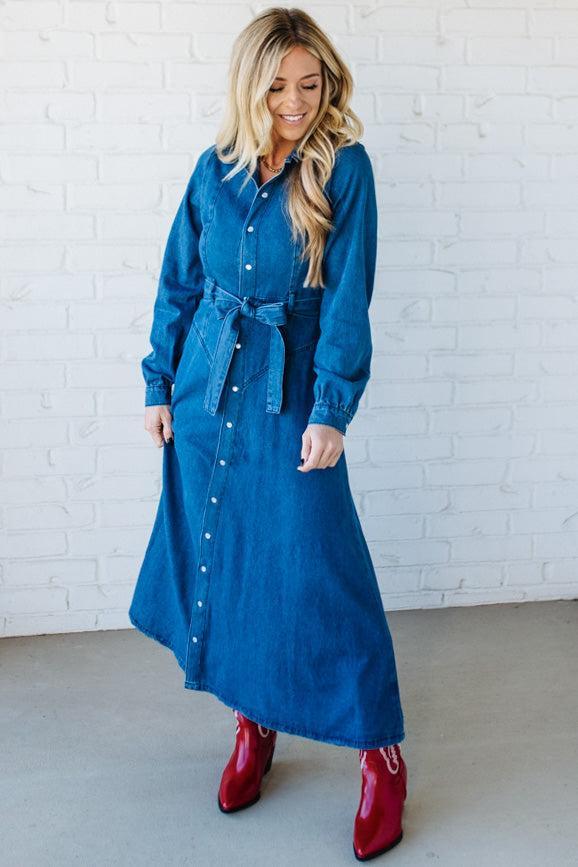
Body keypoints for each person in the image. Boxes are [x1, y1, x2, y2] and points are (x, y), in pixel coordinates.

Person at [128, 6, 407, 861]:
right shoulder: (213, 172)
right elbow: (179, 280)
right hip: (210, 394)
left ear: (327, 85)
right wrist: (158, 382)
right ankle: (253, 722)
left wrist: (331, 407)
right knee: (235, 554)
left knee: (320, 568)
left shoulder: (345, 170)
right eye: (279, 84)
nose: (295, 101)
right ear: (252, 86)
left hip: (291, 395)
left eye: (310, 84)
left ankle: (381, 752)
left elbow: (348, 299)